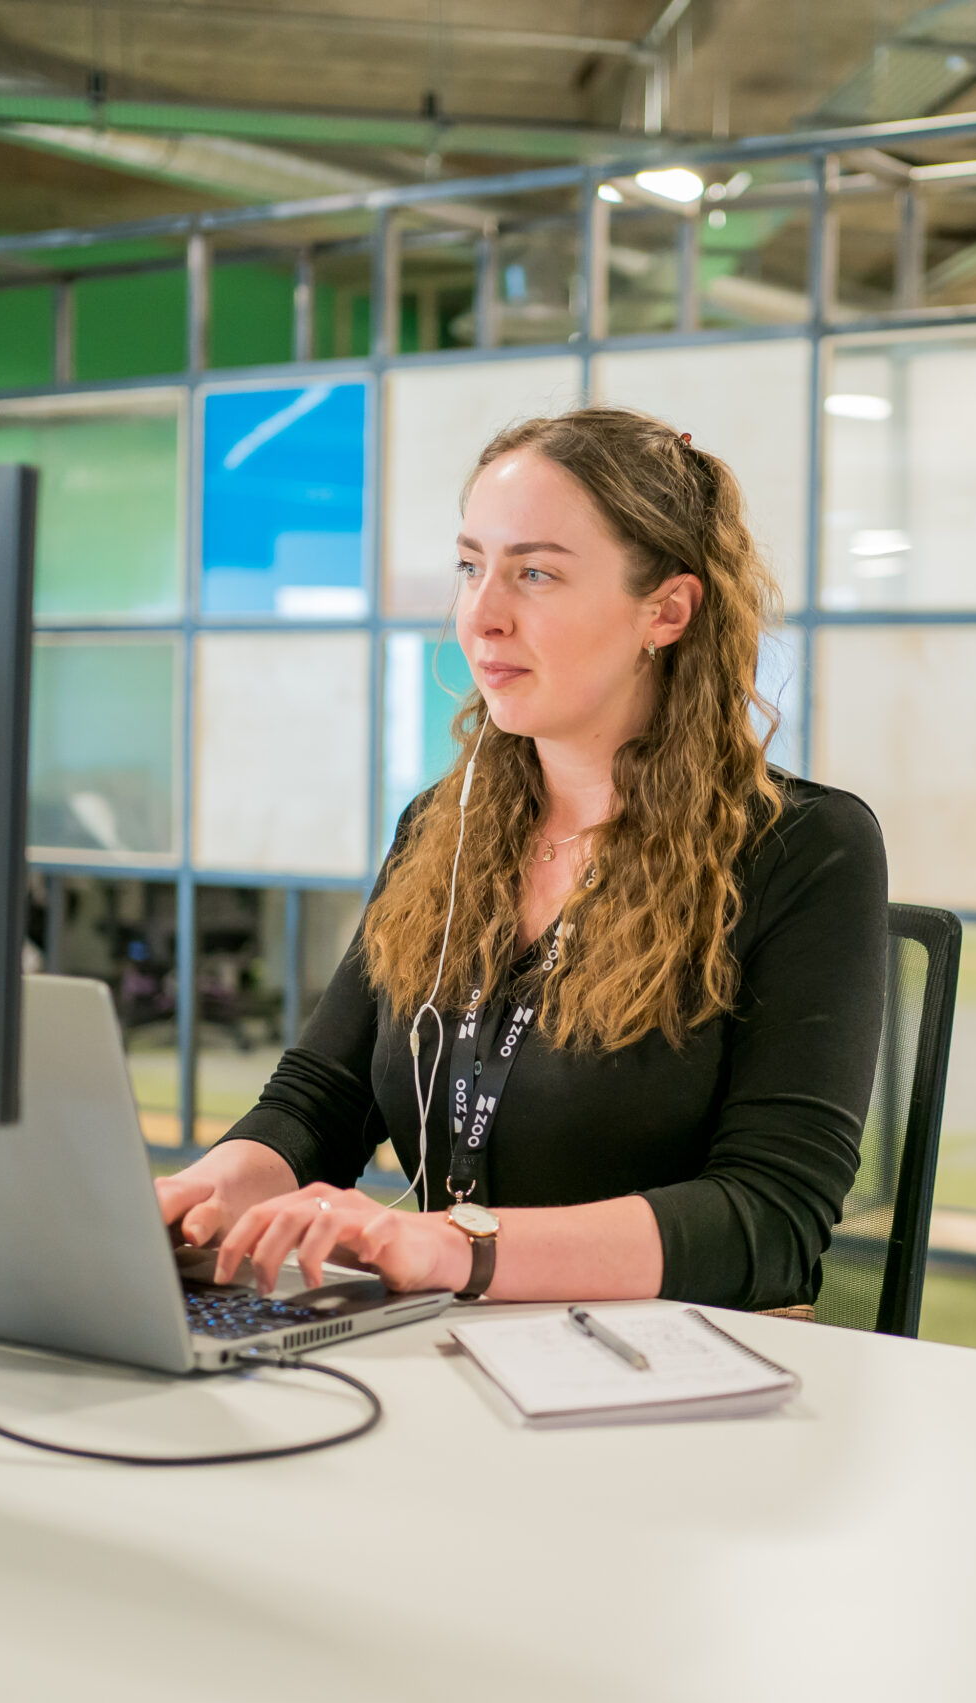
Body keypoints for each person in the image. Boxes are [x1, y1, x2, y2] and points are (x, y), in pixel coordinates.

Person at [154, 408, 889, 1312]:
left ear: (666, 610)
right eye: (472, 568)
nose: (481, 615)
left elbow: (770, 1221)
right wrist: (207, 1189)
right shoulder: (446, 829)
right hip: (455, 1348)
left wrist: (452, 1245)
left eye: (534, 573)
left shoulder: (802, 850)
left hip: (675, 1381)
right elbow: (322, 1099)